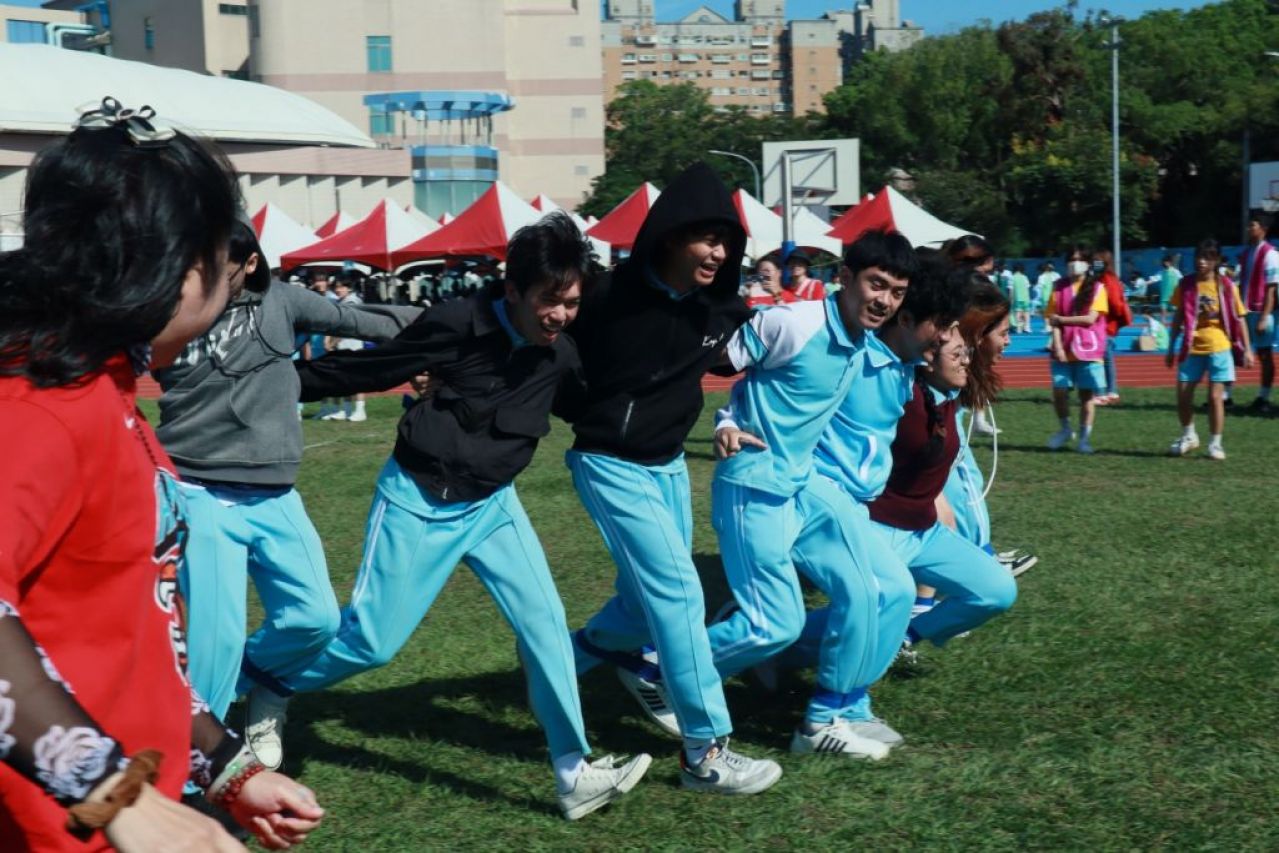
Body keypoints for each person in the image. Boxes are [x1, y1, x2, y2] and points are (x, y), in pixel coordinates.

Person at [0, 97, 322, 851]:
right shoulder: (43, 406)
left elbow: (132, 635)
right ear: (177, 269)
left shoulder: (102, 391)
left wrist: (223, 762)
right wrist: (115, 796)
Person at [269, 212, 651, 820]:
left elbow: (591, 403)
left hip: (494, 506)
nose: (560, 314)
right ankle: (261, 684)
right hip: (419, 499)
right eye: (549, 300)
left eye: (572, 303)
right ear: (513, 291)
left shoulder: (561, 355)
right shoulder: (456, 322)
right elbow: (370, 368)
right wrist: (268, 384)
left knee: (547, 625)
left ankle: (573, 771)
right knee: (371, 643)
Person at [152, 222, 419, 766]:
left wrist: (462, 325)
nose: (205, 276)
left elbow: (363, 320)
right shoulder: (168, 304)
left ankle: (259, 686)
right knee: (217, 641)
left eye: (219, 266)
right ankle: (197, 773)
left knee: (316, 619)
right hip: (197, 491)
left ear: (250, 263)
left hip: (274, 494)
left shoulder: (281, 301)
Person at [707, 236, 968, 758]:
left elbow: (800, 397)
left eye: (896, 292)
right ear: (846, 277)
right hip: (767, 483)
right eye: (876, 285)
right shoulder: (795, 323)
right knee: (777, 622)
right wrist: (727, 422)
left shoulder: (865, 345)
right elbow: (727, 366)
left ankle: (838, 710)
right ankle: (658, 664)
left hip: (808, 489)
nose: (884, 299)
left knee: (893, 590)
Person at [567, 162, 781, 795]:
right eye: (706, 238)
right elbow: (543, 337)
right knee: (680, 595)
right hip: (607, 461)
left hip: (668, 465)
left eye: (727, 242)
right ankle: (704, 753)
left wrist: (730, 420)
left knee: (645, 601)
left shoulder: (723, 309)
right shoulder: (606, 295)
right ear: (670, 236)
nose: (718, 253)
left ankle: (567, 658)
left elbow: (759, 366)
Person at [877, 320, 1017, 655]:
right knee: (876, 605)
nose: (967, 360)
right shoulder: (899, 398)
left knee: (997, 589)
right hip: (878, 524)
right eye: (958, 354)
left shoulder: (947, 396)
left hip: (922, 528)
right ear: (927, 357)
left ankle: (908, 632)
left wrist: (936, 498)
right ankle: (789, 650)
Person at [939, 283, 1037, 577]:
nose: (1008, 341)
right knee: (962, 486)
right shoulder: (947, 367)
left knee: (966, 482)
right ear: (979, 335)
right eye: (1003, 333)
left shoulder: (958, 362)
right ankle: (978, 561)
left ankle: (978, 557)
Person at [1165, 239, 1253, 460]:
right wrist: (1170, 347)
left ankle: (1215, 443)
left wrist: (1247, 348)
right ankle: (1189, 435)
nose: (1202, 262)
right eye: (1199, 257)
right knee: (1183, 395)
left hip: (1219, 347)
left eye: (1207, 258)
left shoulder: (1226, 285)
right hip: (1191, 346)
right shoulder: (1186, 284)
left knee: (1215, 397)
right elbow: (1178, 317)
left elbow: (1240, 317)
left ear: (1216, 261)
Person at [1046, 246, 1109, 454]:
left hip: (1088, 349)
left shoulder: (1097, 288)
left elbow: (1090, 319)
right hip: (1064, 348)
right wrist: (1057, 345)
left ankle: (1084, 439)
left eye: (1080, 259)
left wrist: (1062, 320)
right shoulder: (1058, 287)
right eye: (1071, 260)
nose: (1075, 264)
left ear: (1088, 264)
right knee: (1059, 390)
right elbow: (1052, 319)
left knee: (1086, 395)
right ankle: (1065, 429)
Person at [1239, 215, 1278, 413]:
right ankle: (1226, 396)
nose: (1248, 229)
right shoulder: (1247, 253)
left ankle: (1264, 397)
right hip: (1245, 310)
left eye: (1252, 226)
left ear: (1263, 229)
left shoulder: (1270, 254)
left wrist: (1264, 316)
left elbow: (1272, 288)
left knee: (1264, 354)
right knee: (1235, 349)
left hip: (1261, 311)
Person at [323, 274, 371, 422]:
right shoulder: (341, 302)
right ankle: (346, 409)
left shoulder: (352, 301)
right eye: (336, 287)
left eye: (342, 287)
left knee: (356, 378)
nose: (338, 290)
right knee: (344, 378)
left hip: (353, 346)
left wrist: (331, 343)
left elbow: (347, 327)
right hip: (344, 346)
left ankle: (360, 410)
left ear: (349, 288)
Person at [1095, 249, 1133, 406]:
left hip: (1106, 324)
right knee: (1105, 358)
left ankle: (1106, 392)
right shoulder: (1102, 278)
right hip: (1102, 324)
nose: (1094, 264)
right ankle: (1108, 391)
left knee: (1103, 359)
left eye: (1097, 261)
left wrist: (1104, 312)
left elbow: (1116, 304)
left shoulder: (1108, 279)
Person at [1158, 255, 1181, 326]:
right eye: (1164, 262)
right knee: (1163, 311)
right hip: (1164, 297)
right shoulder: (1161, 272)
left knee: (1177, 312)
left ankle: (1179, 323)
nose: (1165, 263)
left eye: (1167, 262)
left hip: (1173, 296)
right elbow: (1154, 278)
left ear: (1170, 263)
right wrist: (1146, 282)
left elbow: (1182, 279)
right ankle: (1163, 324)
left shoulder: (1176, 271)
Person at [1010, 264, 1032, 334]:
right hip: (1026, 298)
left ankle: (1018, 328)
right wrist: (1029, 298)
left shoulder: (1012, 277)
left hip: (1017, 298)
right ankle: (1027, 327)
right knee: (1026, 312)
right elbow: (1027, 288)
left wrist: (1010, 299)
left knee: (1018, 313)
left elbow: (1011, 290)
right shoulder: (1025, 277)